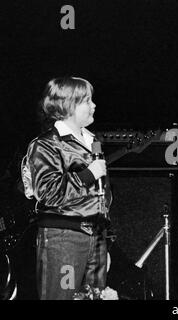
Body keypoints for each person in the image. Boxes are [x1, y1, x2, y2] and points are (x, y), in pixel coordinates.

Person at [21, 77, 111, 300]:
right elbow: (48, 192)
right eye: (87, 101)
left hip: (95, 236)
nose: (94, 105)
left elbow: (101, 197)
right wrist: (88, 174)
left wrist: (104, 241)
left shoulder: (92, 142)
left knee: (94, 297)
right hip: (64, 238)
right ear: (68, 105)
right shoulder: (47, 144)